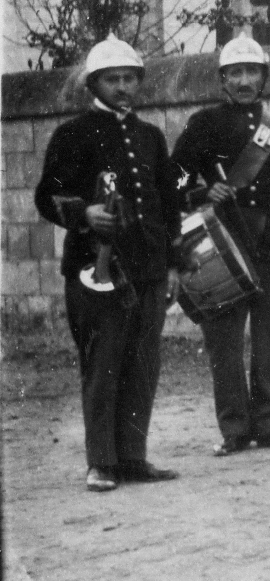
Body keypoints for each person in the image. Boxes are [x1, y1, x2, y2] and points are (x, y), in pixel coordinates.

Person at [35, 37, 183, 491]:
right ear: (93, 84)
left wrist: (173, 264)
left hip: (149, 268)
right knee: (104, 365)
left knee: (143, 365)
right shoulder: (72, 134)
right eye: (112, 79)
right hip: (94, 270)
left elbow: (169, 204)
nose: (122, 87)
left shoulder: (151, 136)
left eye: (129, 78)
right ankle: (101, 461)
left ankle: (133, 458)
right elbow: (46, 197)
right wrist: (84, 214)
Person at [171, 34, 270, 455]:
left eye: (251, 71)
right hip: (220, 249)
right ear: (223, 81)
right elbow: (173, 177)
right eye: (235, 72)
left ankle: (269, 422)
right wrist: (202, 193)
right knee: (224, 343)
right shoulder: (203, 125)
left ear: (264, 78)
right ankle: (234, 429)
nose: (244, 80)